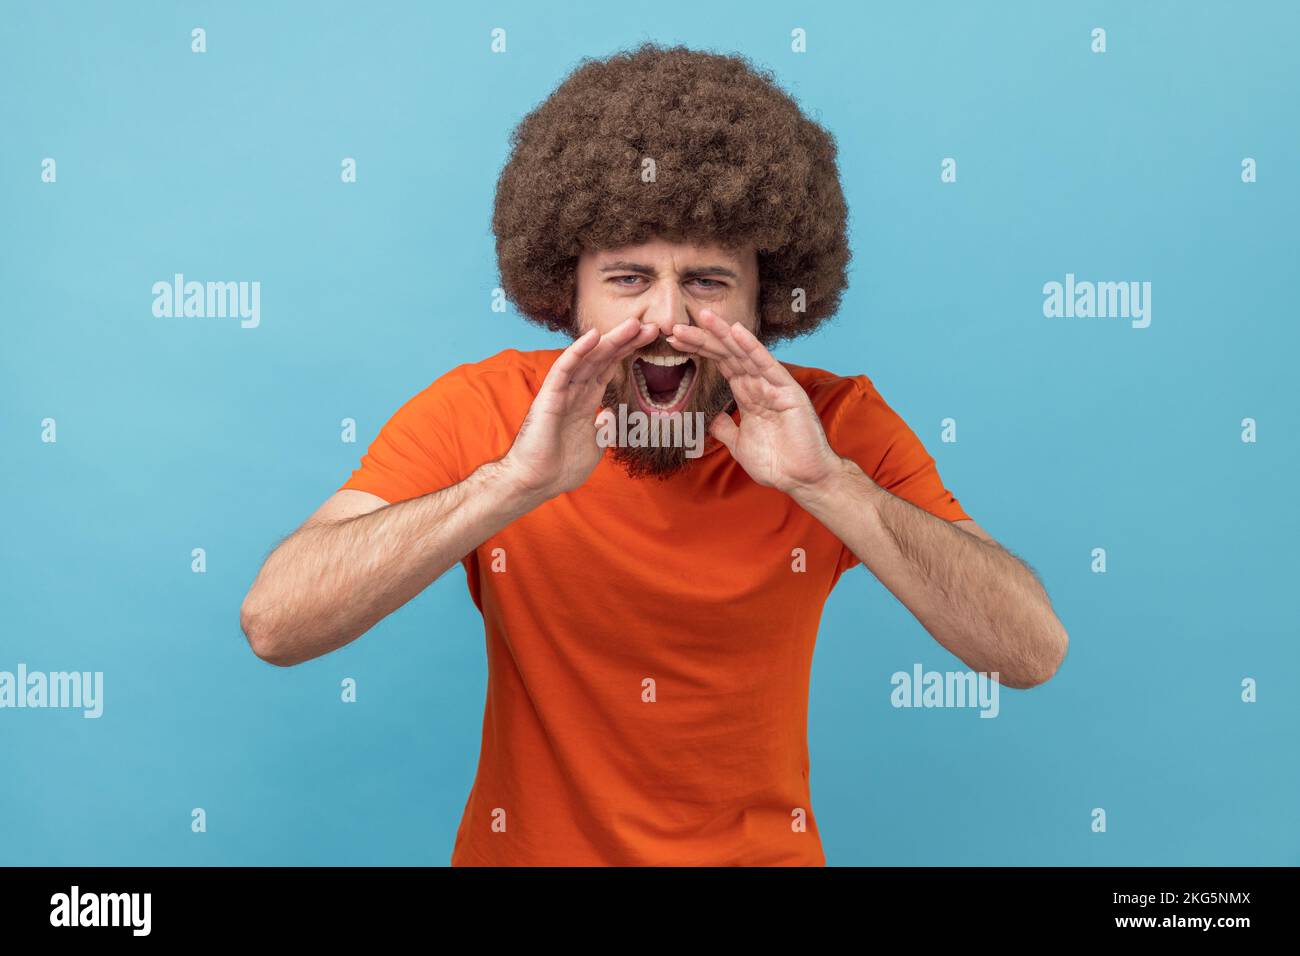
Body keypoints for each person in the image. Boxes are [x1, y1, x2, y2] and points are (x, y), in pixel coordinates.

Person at [240, 43, 1069, 866]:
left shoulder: (829, 426)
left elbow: (1030, 650)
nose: (668, 317)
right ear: (565, 291)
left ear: (766, 299)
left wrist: (829, 485)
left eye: (707, 282)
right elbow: (277, 624)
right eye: (628, 279)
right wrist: (508, 487)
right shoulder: (486, 412)